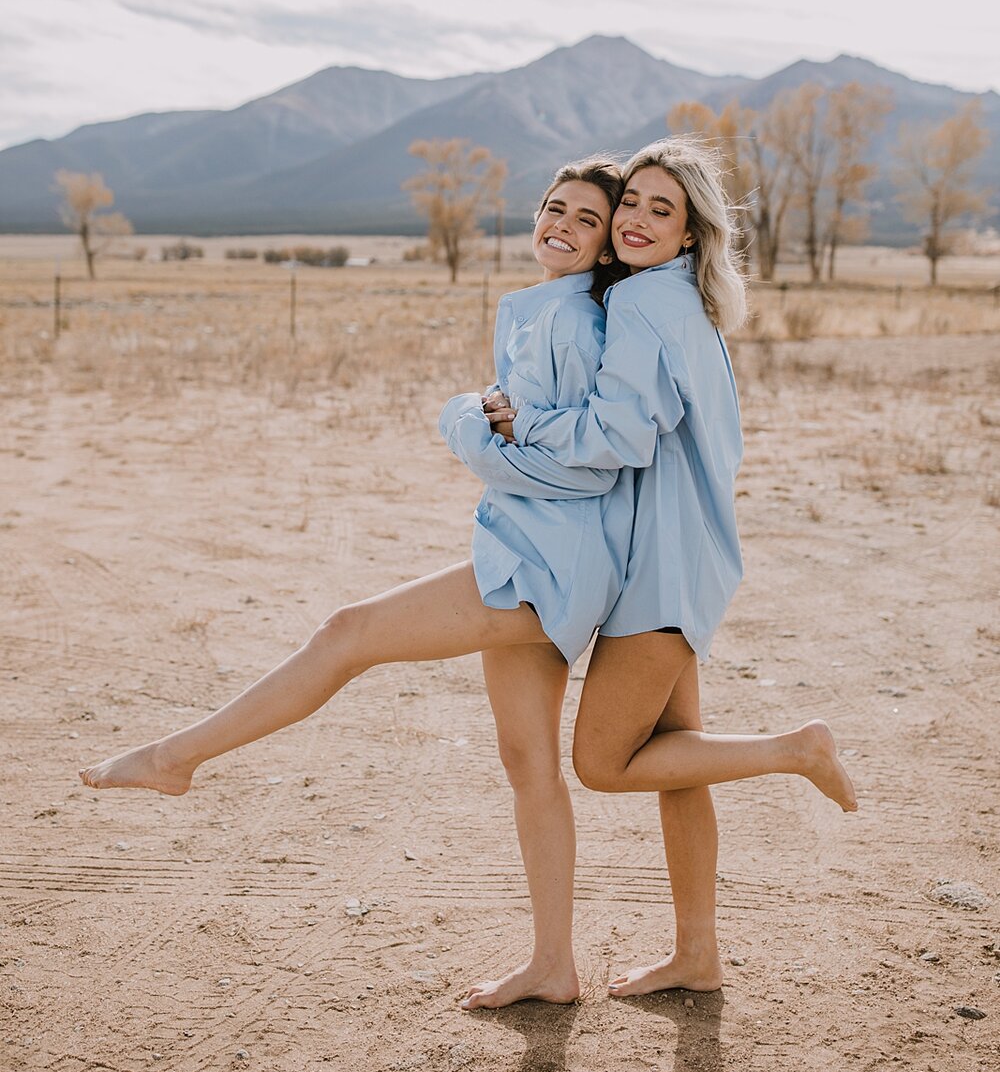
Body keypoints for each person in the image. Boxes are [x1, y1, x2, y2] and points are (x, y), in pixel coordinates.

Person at [79, 156, 633, 1012]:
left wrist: (465, 427)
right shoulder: (541, 307)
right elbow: (537, 442)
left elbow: (587, 466)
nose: (559, 224)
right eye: (553, 207)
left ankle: (173, 757)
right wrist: (490, 431)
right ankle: (554, 965)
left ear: (605, 244)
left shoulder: (573, 321)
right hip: (538, 551)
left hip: (546, 565)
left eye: (584, 219)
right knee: (528, 761)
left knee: (348, 633)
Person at [485, 138, 857, 999]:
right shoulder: (685, 304)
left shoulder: (646, 305)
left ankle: (794, 750)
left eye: (664, 209)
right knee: (678, 759)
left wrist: (515, 429)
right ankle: (697, 953)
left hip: (659, 565)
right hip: (690, 553)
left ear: (692, 233)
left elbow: (619, 437)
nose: (638, 219)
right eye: (633, 204)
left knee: (603, 763)